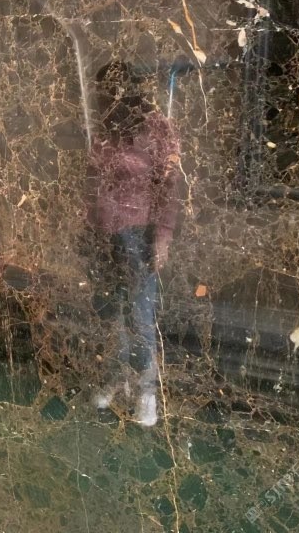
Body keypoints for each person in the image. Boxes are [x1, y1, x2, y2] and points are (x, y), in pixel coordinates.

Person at [88, 61, 181, 427]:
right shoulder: (104, 131)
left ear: (124, 93)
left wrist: (163, 237)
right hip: (103, 234)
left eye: (107, 94)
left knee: (140, 314)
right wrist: (87, 228)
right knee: (110, 311)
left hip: (139, 234)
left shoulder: (157, 130)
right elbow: (93, 182)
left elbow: (169, 189)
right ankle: (117, 376)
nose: (101, 100)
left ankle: (146, 391)